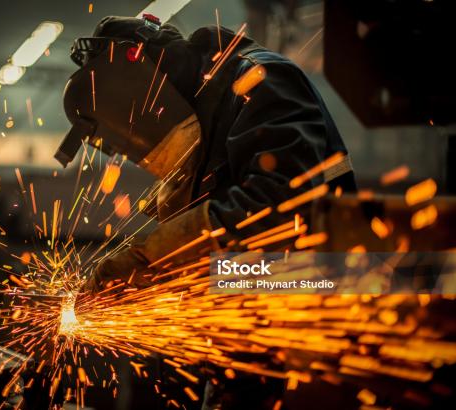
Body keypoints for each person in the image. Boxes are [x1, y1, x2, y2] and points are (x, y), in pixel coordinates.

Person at [54, 15, 356, 409]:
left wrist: (151, 261)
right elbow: (218, 256)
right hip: (253, 318)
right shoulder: (202, 109)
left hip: (314, 295)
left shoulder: (256, 80)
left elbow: (280, 211)